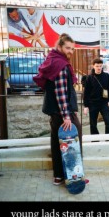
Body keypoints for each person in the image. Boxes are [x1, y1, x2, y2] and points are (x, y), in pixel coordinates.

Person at [39, 33, 87, 186]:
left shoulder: (52, 60)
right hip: (63, 113)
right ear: (59, 47)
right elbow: (61, 93)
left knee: (56, 141)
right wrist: (67, 116)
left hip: (55, 112)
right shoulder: (60, 65)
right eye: (68, 48)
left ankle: (59, 176)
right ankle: (75, 175)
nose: (70, 51)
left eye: (72, 49)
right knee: (74, 139)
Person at [83, 58, 109, 135]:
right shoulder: (89, 78)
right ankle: (95, 140)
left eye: (100, 66)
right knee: (93, 124)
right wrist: (86, 106)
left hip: (104, 103)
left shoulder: (106, 76)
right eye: (97, 66)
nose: (99, 68)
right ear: (93, 66)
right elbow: (86, 93)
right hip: (93, 103)